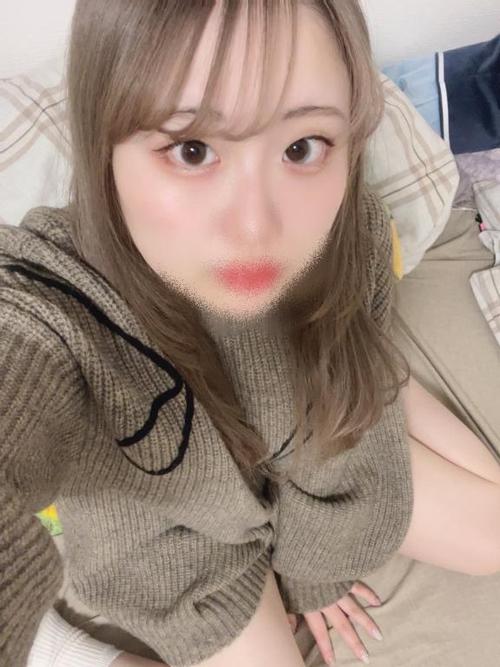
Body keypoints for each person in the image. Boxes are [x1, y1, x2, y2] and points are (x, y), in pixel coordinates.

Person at [2, 1, 500, 666]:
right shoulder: (55, 295)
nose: (255, 224)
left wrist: (317, 565)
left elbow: (343, 406)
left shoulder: (348, 229)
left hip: (303, 423)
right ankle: (60, 649)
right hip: (174, 526)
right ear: (104, 147)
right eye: (193, 150)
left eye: (300, 147)